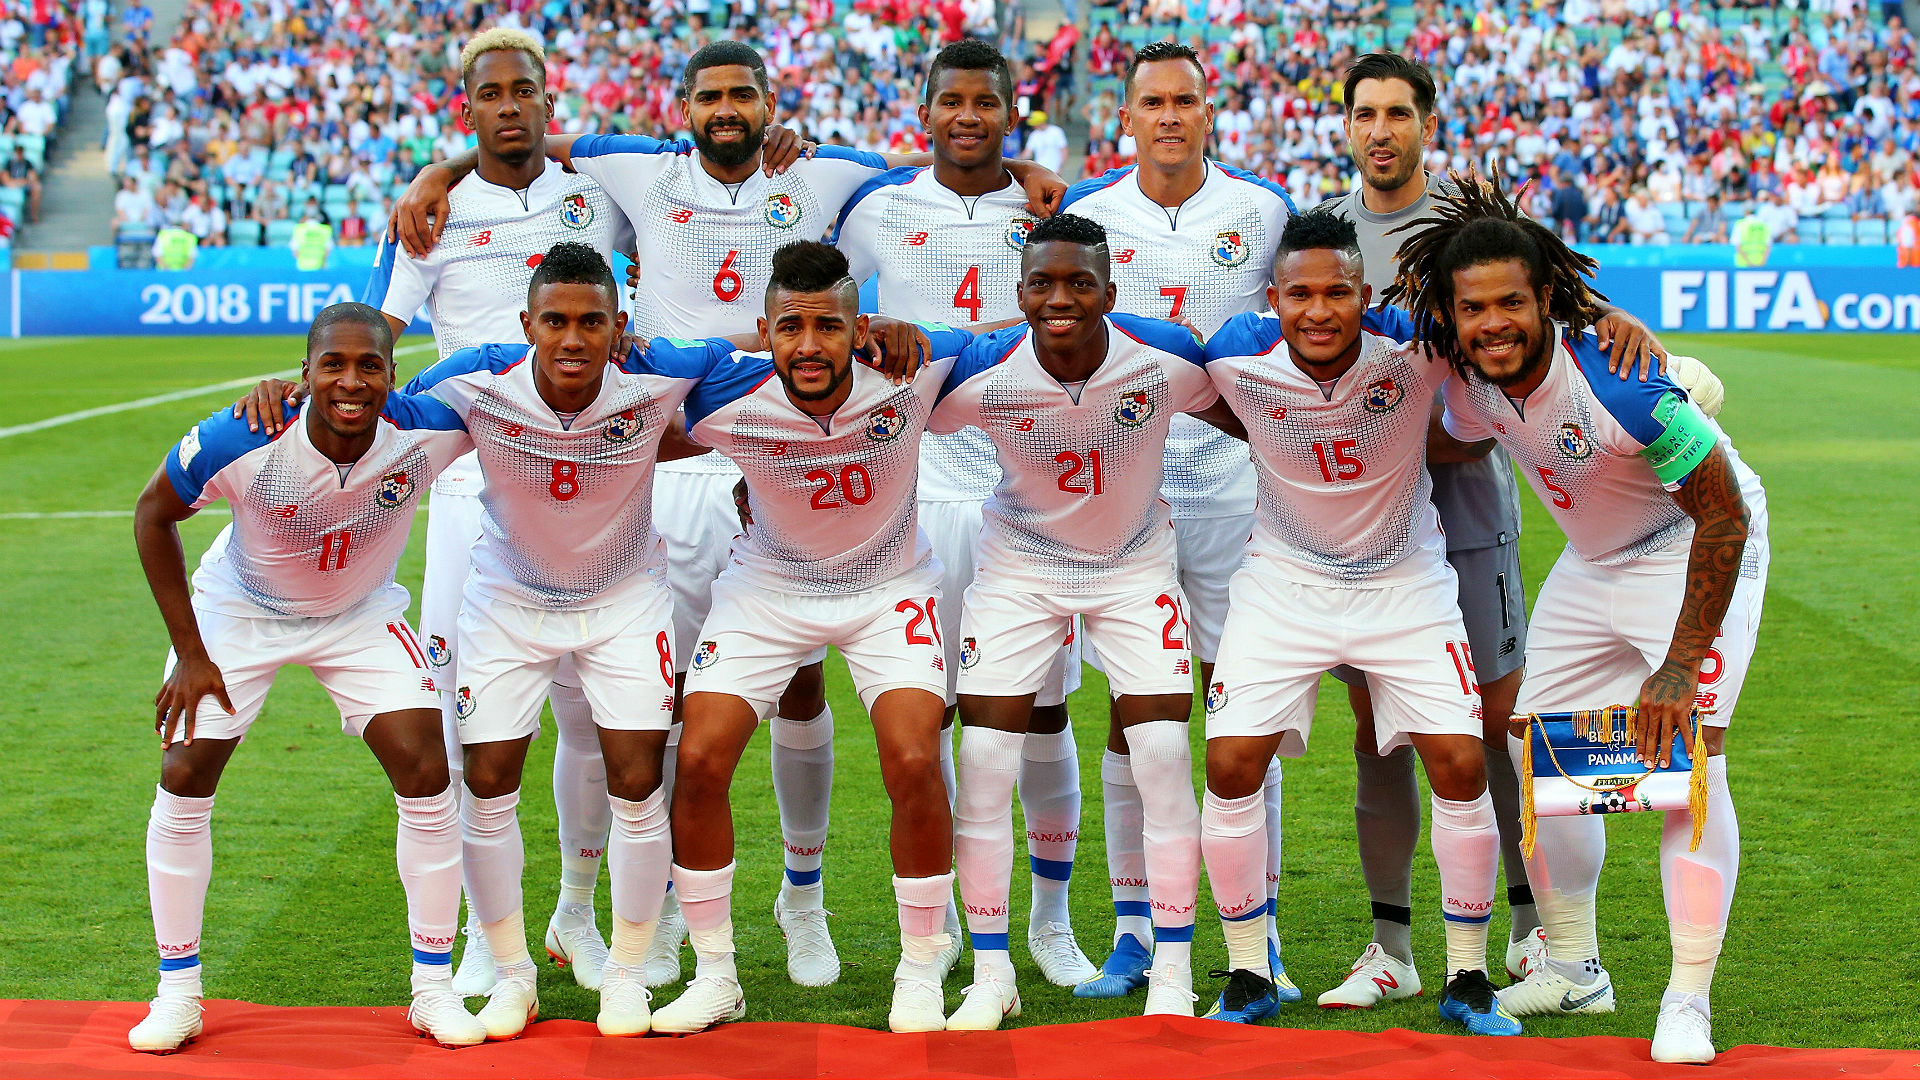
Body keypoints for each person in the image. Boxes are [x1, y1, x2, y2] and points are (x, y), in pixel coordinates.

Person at [392, 43, 1064, 988]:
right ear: (685, 105)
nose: (726, 109)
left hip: (782, 446)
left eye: (742, 94)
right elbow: (527, 135)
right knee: (643, 712)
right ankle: (649, 913)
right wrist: (437, 169)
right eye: (708, 96)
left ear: (767, 102)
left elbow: (940, 164)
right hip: (668, 459)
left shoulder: (826, 172)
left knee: (799, 689)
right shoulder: (637, 167)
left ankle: (803, 900)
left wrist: (1030, 170)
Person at [1391, 174, 1767, 1066]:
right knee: (1532, 743)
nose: (1493, 323)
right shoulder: (1463, 369)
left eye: (1512, 303)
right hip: (1594, 560)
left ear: (1546, 298)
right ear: (1449, 311)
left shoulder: (1623, 383)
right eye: (1472, 307)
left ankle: (1687, 996)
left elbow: (1723, 515)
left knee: (1691, 757)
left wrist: (1678, 666)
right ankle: (1575, 966)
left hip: (1693, 544)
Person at [1319, 54, 1669, 1010]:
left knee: (1503, 721)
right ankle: (1390, 943)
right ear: (1344, 126)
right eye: (1364, 115)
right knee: (1378, 735)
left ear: (1428, 121)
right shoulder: (1324, 237)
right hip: (1368, 520)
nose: (1379, 130)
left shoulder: (1474, 214)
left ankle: (1533, 930)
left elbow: (1550, 298)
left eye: (1397, 113)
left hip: (1469, 509)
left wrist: (1611, 317)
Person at [360, 28, 636, 1000]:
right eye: (492, 94)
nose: (510, 105)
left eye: (526, 90)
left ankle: (574, 912)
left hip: (592, 486)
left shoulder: (601, 196)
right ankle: (484, 933)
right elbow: (375, 338)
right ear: (465, 106)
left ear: (548, 99)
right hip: (473, 491)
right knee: (466, 726)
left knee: (597, 718)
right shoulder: (431, 218)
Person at [1195, 211, 1517, 1036]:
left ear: (1363, 293)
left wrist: (1612, 322)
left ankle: (1467, 977)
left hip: (1404, 583)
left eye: (1337, 291)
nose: (1319, 309)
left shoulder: (1416, 344)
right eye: (1299, 293)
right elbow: (1124, 337)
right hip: (1284, 586)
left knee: (1459, 761)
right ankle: (1245, 973)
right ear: (1273, 298)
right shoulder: (1235, 350)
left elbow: (1510, 325)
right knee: (1229, 763)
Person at [129, 304, 482, 1052]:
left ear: (393, 374)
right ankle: (177, 993)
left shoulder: (430, 428)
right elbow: (152, 516)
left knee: (426, 769)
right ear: (305, 373)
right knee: (185, 770)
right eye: (333, 365)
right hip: (240, 611)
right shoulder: (243, 436)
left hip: (358, 615)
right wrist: (192, 653)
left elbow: (523, 363)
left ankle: (433, 987)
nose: (351, 382)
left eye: (369, 366)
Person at [830, 38, 1095, 990]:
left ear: (1014, 110)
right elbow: (816, 285)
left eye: (989, 101)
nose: (970, 117)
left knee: (1043, 712)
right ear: (926, 110)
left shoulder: (1055, 211)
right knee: (934, 718)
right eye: (953, 102)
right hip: (920, 491)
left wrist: (1034, 178)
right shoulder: (878, 206)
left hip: (1031, 492)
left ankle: (1052, 926)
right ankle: (941, 927)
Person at [933, 213, 1242, 1027]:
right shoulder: (979, 365)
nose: (1059, 298)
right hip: (1021, 569)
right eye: (1042, 283)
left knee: (1166, 754)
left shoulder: (1168, 356)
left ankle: (1171, 970)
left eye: (1078, 283)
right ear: (1019, 291)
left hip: (1135, 567)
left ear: (1111, 289)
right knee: (988, 759)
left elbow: (1251, 411)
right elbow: (878, 417)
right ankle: (991, 973)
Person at [653, 242, 967, 1035]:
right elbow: (628, 380)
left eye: (830, 326)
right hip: (768, 590)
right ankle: (717, 973)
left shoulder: (913, 367)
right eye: (789, 327)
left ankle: (922, 965)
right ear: (765, 329)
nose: (809, 345)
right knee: (696, 756)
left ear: (859, 327)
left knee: (914, 755)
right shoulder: (725, 392)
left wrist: (906, 325)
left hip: (889, 588)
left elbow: (1028, 329)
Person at [1054, 39, 1299, 1004]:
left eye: (1184, 102)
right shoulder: (1089, 213)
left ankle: (1259, 930)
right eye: (1149, 101)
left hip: (1238, 485)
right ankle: (1132, 929)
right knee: (1135, 714)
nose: (1167, 116)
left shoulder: (1261, 210)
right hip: (1131, 492)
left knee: (1246, 710)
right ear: (1126, 117)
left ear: (1210, 112)